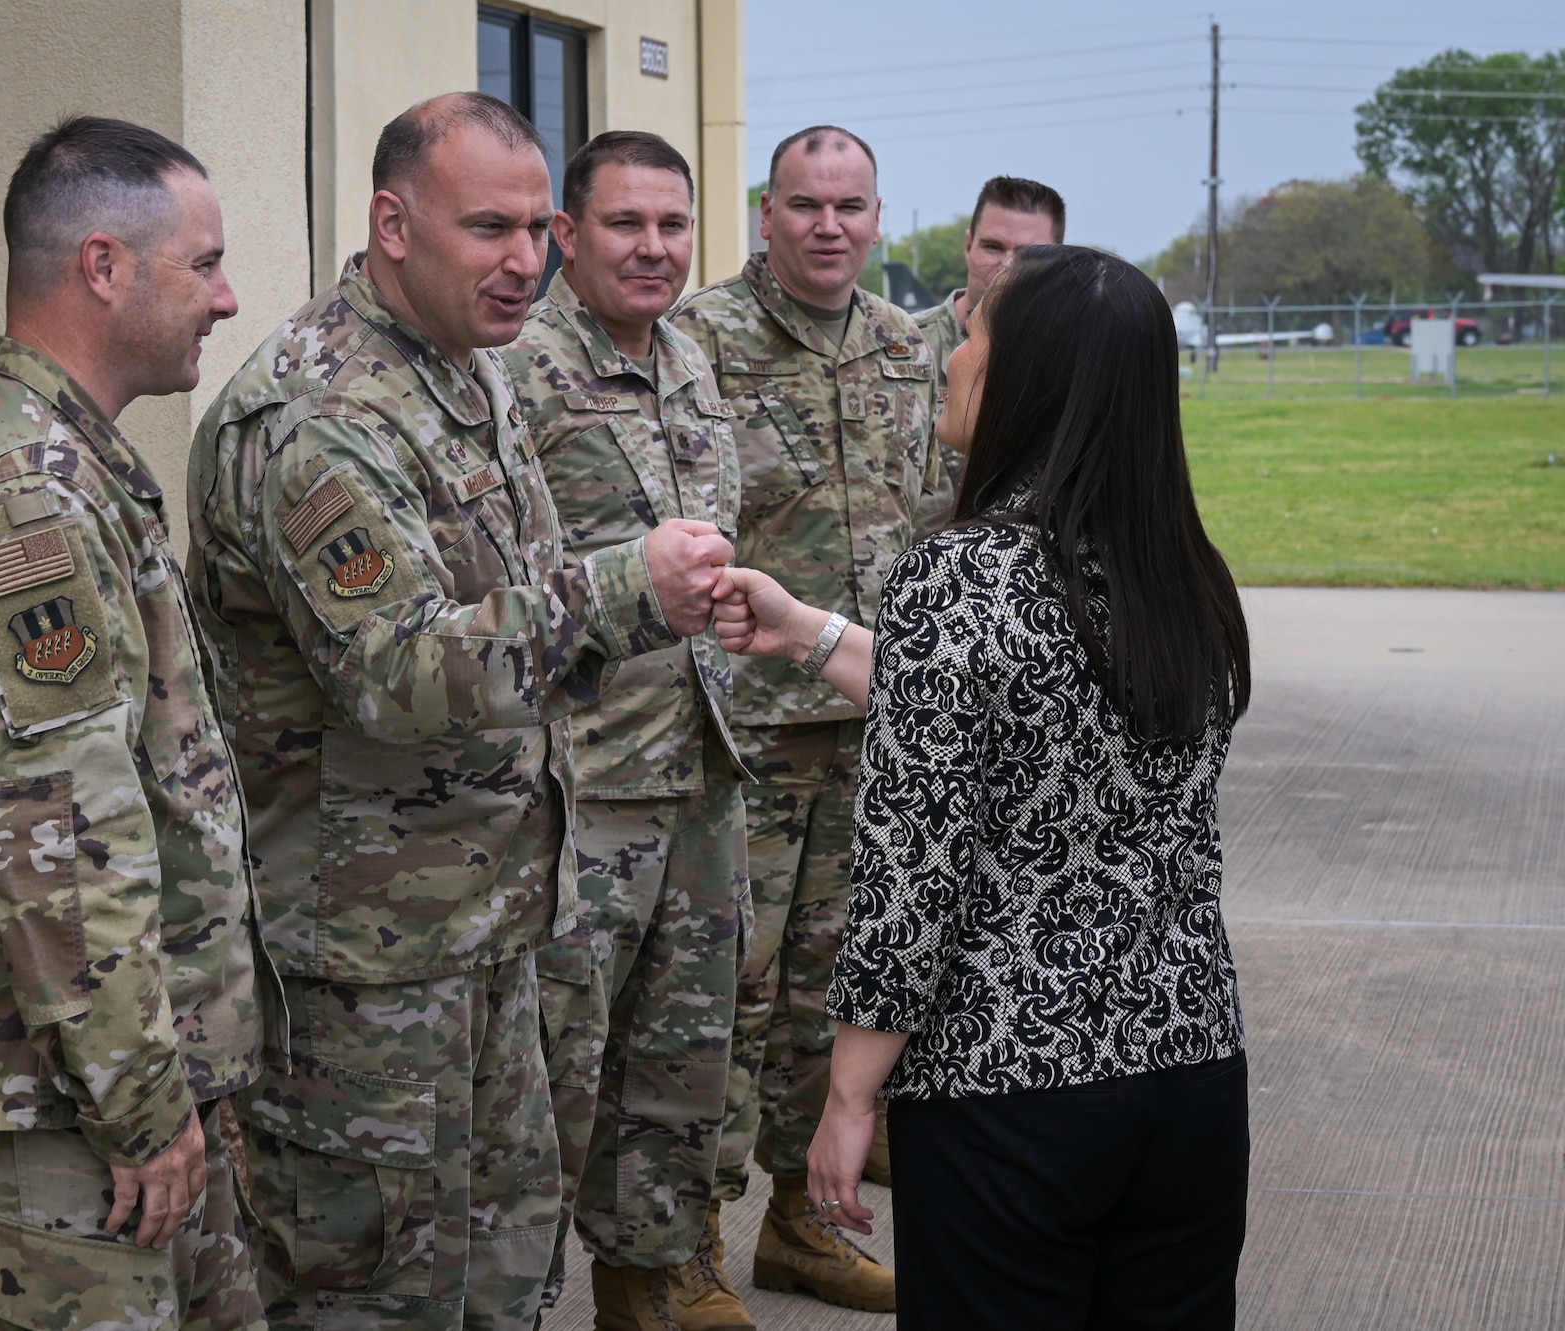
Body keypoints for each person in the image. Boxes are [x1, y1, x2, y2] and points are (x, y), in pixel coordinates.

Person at [185, 94, 734, 1331]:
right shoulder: (321, 415)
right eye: (489, 227)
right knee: (376, 1291)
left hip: (486, 919)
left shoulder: (460, 370)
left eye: (537, 228)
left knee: (498, 1270)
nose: (526, 260)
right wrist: (619, 591)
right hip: (362, 962)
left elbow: (511, 611)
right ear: (391, 223)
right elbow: (397, 670)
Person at [716, 245, 1253, 1330]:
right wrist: (806, 630)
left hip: (1010, 1089)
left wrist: (848, 1093)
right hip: (1189, 1072)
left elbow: (910, 877)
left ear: (1026, 380)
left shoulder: (956, 577)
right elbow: (1004, 706)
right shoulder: (1179, 572)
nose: (948, 359)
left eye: (970, 338)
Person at [0, 116, 267, 1330]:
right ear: (102, 265)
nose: (227, 298)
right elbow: (53, 846)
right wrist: (140, 1102)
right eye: (203, 264)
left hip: (108, 1088)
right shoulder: (20, 499)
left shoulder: (66, 468)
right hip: (58, 1112)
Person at [667, 123, 934, 1320]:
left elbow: (928, 512)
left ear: (877, 215)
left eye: (851, 205)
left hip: (866, 717)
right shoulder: (699, 343)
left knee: (831, 997)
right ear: (763, 212)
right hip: (742, 734)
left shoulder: (905, 345)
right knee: (720, 998)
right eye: (804, 204)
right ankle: (679, 1252)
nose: (829, 226)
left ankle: (797, 1226)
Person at [499, 130, 750, 1331]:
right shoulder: (517, 373)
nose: (653, 249)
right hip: (579, 783)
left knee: (681, 1049)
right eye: (623, 225)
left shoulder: (692, 362)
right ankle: (519, 1296)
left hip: (696, 762)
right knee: (555, 1066)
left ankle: (647, 1276)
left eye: (671, 226)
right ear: (566, 236)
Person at [912, 176, 1065, 531]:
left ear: (1057, 260)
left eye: (1028, 255)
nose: (1006, 267)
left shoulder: (1066, 365)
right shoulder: (899, 346)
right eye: (993, 247)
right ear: (968, 245)